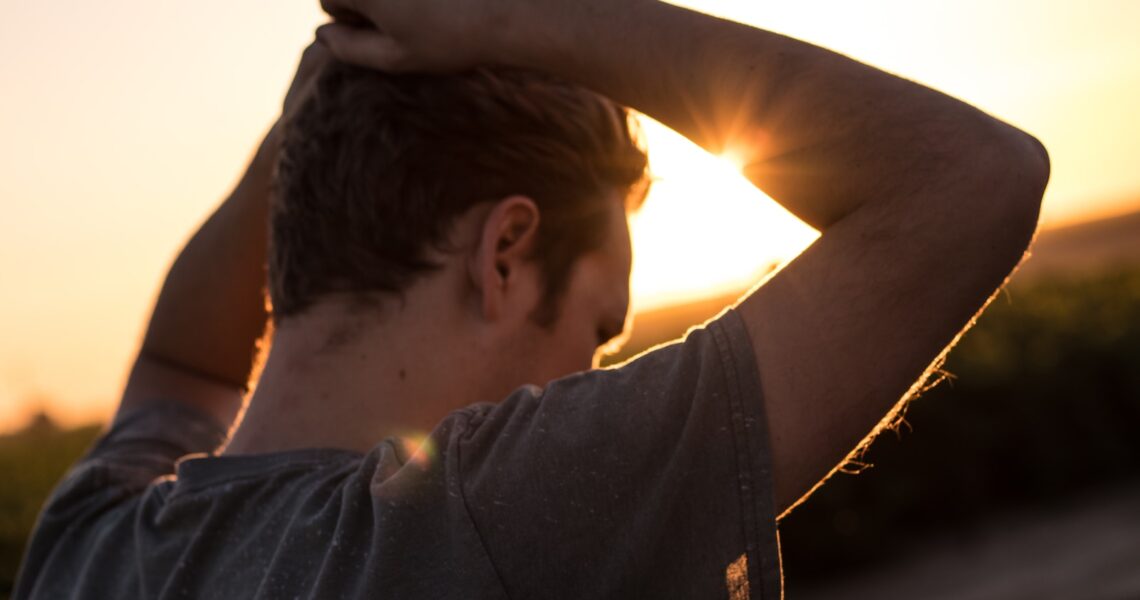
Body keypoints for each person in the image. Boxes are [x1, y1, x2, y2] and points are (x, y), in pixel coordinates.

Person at [16, 1, 1049, 598]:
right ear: (504, 253)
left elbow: (180, 369)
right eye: (600, 332)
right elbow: (972, 181)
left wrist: (316, 104)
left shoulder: (94, 540)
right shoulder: (479, 527)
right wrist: (508, 14)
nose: (592, 376)